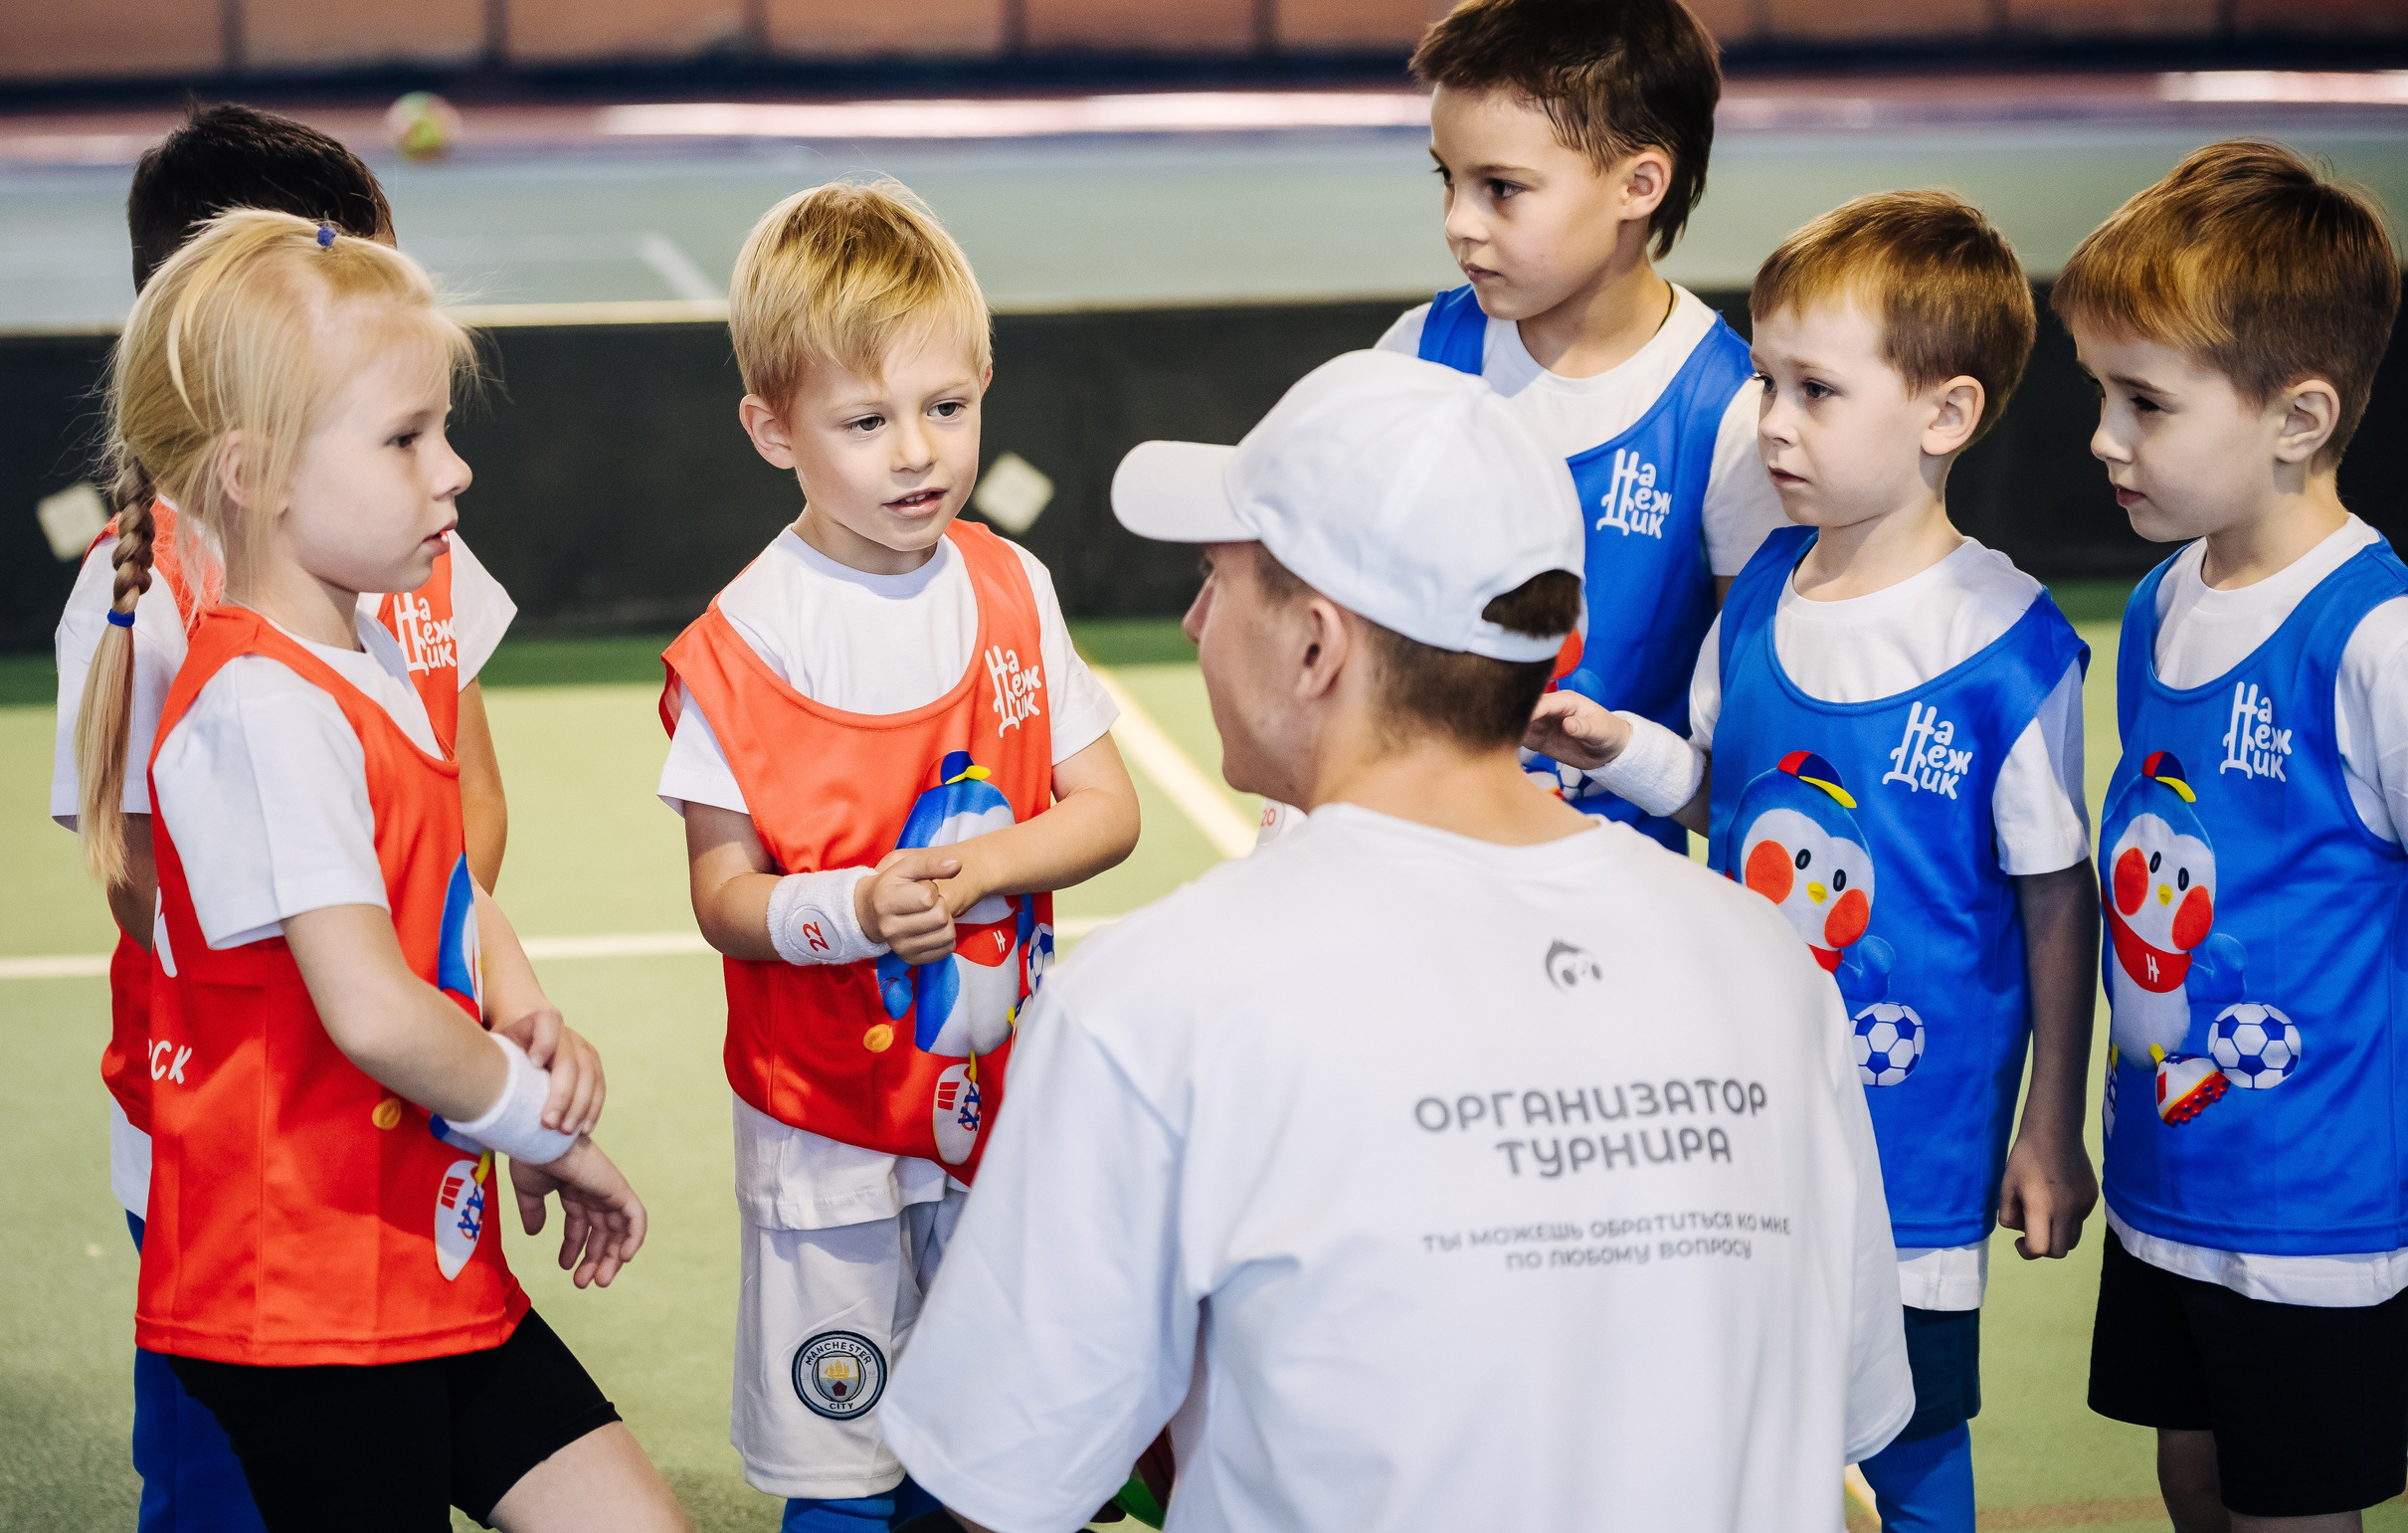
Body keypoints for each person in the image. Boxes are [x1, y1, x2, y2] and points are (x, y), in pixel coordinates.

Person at [875, 349, 1913, 1532]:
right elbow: (1850, 1412)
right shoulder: (1763, 962)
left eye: (1218, 583)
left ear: (1318, 646)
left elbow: (999, 1484)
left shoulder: (1156, 1003)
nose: (1193, 620)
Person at [73, 209, 686, 1533]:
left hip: (416, 1242)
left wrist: (520, 1009)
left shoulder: (370, 662)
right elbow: (366, 1003)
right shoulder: (261, 707)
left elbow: (452, 893)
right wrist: (540, 1120)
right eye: (407, 439)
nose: (453, 470)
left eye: (443, 430)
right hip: (299, 1292)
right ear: (257, 472)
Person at [1530, 192, 2103, 1531]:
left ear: (1945, 415)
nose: (1769, 421)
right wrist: (1618, 745)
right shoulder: (1766, 591)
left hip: (1917, 1147)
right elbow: (1713, 797)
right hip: (1745, 1112)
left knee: (1908, 1439)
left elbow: (2055, 901)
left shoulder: (2010, 649)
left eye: (1814, 391)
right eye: (1766, 379)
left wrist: (2048, 1121)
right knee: (1747, 1419)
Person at [48, 98, 520, 1533]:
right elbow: (139, 873)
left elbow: (462, 794)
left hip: (412, 1097)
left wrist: (438, 964)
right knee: (221, 1493)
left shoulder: (409, 550)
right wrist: (340, 937)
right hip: (240, 1152)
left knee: (383, 1465)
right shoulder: (144, 593)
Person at [655, 179, 1140, 1532]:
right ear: (773, 427)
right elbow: (723, 894)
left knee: (1010, 1451)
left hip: (1009, 1107)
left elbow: (1106, 808)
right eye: (865, 422)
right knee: (847, 1473)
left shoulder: (1010, 585)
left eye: (948, 407)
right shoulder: (743, 641)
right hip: (826, 1135)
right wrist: (854, 910)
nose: (917, 452)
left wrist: (982, 872)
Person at [2056, 140, 2408, 1532]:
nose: (2102, 435)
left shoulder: (2373, 635)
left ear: (2297, 416)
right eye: (2099, 391)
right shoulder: (2158, 603)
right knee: (2193, 1480)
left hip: (2316, 1216)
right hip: (2168, 1178)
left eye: (2144, 400)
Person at [1244, 0, 1781, 851]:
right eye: (1447, 179)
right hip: (1406, 867)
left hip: (1606, 909)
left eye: (1501, 189)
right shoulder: (1416, 356)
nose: (1459, 220)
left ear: (1638, 185)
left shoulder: (1731, 420)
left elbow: (1745, 762)